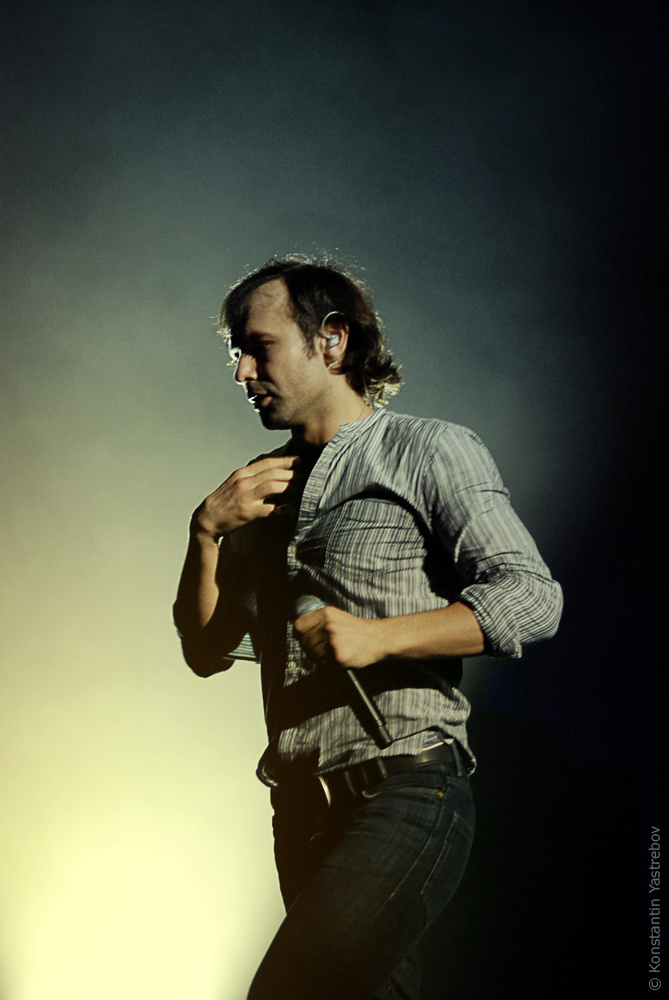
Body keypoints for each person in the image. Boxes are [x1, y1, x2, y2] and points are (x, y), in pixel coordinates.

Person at [173, 256, 563, 1000]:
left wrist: (377, 636)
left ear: (331, 341)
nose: (242, 371)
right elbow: (204, 649)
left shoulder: (429, 449)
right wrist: (204, 532)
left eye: (258, 347)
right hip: (298, 814)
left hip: (405, 792)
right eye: (236, 353)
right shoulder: (258, 487)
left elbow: (531, 596)